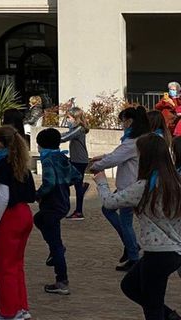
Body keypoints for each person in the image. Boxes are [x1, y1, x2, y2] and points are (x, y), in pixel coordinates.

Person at [96, 133, 181, 320]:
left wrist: (101, 181)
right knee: (130, 286)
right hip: (173, 252)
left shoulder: (144, 186)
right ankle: (170, 316)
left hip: (158, 253)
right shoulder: (176, 183)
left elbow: (110, 202)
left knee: (152, 306)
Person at [90, 105, 149, 271]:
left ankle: (132, 252)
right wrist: (102, 157)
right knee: (110, 212)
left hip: (129, 187)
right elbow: (117, 154)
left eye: (123, 121)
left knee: (124, 222)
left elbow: (115, 158)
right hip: (131, 185)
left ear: (129, 121)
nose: (122, 125)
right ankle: (131, 246)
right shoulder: (141, 139)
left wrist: (96, 167)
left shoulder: (131, 142)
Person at [0, 125, 37, 320]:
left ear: (0, 143)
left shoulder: (4, 164)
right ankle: (21, 306)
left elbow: (4, 196)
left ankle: (9, 310)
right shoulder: (22, 164)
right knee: (17, 264)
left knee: (5, 266)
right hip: (25, 213)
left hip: (11, 216)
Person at [34, 127, 81, 296]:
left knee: (55, 242)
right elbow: (76, 176)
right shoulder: (62, 157)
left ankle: (62, 280)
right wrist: (65, 182)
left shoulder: (47, 159)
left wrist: (38, 194)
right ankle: (56, 251)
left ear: (41, 145)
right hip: (63, 201)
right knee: (38, 219)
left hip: (52, 203)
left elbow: (49, 182)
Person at [60, 106, 90, 220]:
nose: (67, 120)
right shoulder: (76, 128)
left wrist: (51, 138)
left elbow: (66, 137)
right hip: (76, 159)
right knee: (76, 184)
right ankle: (78, 210)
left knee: (66, 183)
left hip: (79, 161)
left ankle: (77, 211)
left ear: (76, 118)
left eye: (69, 117)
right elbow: (66, 134)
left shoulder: (79, 129)